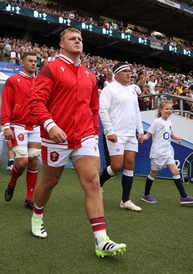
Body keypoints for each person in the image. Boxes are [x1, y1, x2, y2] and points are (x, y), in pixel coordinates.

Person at [29, 28, 126, 258]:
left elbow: (93, 108)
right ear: (61, 44)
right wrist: (51, 126)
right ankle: (37, 216)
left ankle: (102, 240)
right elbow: (36, 102)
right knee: (49, 183)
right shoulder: (50, 68)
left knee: (93, 183)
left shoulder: (90, 76)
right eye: (72, 38)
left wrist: (93, 133)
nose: (78, 41)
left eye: (80, 39)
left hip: (84, 138)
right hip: (56, 138)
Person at [99, 62, 143, 212]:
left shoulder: (132, 91)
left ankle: (125, 200)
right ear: (117, 74)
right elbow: (103, 111)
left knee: (129, 164)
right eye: (125, 71)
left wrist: (141, 131)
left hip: (131, 134)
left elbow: (137, 112)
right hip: (116, 134)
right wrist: (109, 131)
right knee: (117, 166)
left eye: (130, 71)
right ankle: (98, 185)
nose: (129, 73)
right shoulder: (109, 89)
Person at [140, 100, 193, 204]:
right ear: (161, 110)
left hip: (167, 152)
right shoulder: (157, 122)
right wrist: (142, 138)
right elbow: (148, 135)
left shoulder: (169, 123)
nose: (169, 111)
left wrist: (177, 137)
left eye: (170, 109)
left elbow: (170, 135)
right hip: (157, 153)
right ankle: (146, 195)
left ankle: (184, 197)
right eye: (167, 108)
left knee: (176, 172)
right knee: (153, 174)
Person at [1, 52, 41, 210]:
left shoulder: (40, 82)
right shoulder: (13, 80)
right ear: (22, 63)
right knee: (22, 162)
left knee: (33, 161)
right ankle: (12, 183)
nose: (33, 63)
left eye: (35, 61)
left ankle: (29, 198)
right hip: (18, 126)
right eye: (30, 61)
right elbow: (6, 103)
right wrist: (5, 125)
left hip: (36, 127)